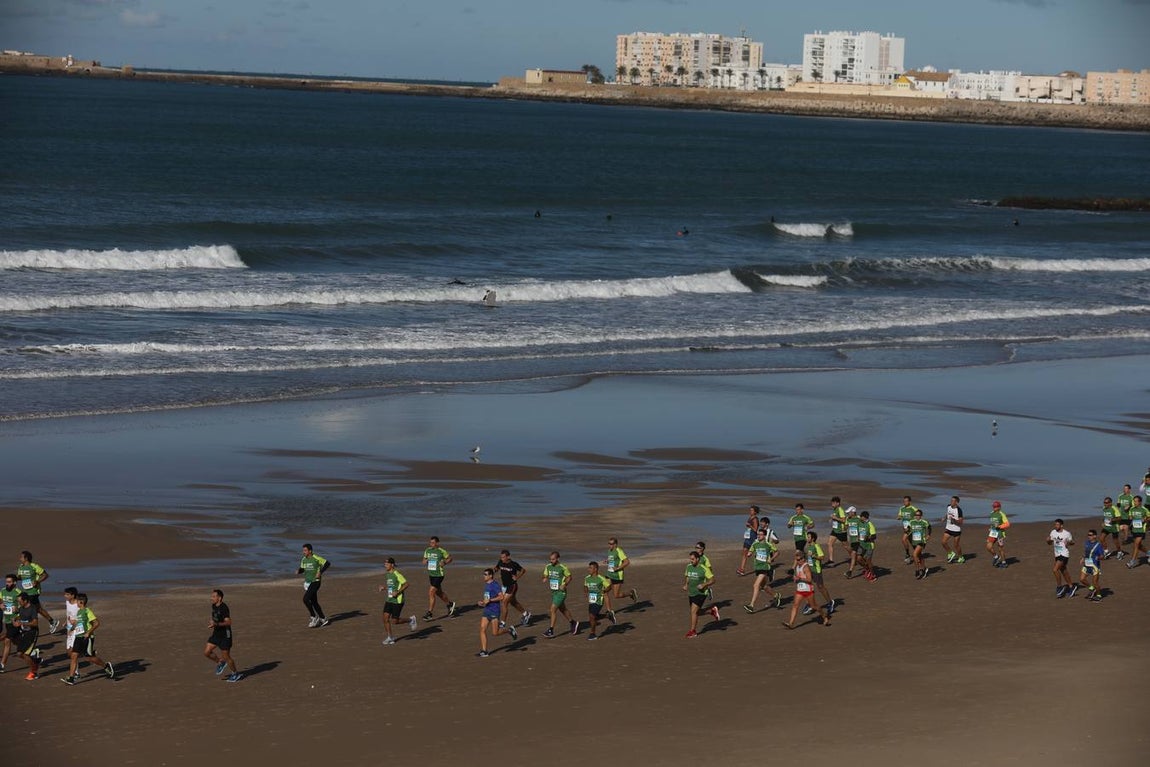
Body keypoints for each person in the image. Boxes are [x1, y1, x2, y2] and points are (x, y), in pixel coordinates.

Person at [60, 593, 114, 685]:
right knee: (74, 656)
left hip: (87, 638)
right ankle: (71, 678)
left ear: (81, 602)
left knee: (89, 658)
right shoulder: (79, 612)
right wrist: (72, 628)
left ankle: (106, 666)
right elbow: (78, 622)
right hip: (78, 637)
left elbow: (96, 623)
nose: (76, 602)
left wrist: (88, 632)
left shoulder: (87, 611)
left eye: (77, 601)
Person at [783, 551, 830, 629]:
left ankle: (824, 616)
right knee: (795, 605)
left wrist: (799, 578)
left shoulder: (806, 567)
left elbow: (809, 580)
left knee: (814, 606)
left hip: (808, 590)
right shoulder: (798, 567)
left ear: (803, 559)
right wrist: (795, 579)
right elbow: (798, 578)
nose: (798, 561)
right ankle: (791, 624)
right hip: (800, 590)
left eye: (799, 559)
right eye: (796, 560)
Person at [476, 568, 517, 657]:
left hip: (494, 611)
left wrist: (490, 600)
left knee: (495, 633)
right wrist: (482, 602)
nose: (484, 576)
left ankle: (509, 630)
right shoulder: (486, 585)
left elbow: (501, 597)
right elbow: (487, 598)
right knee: (482, 630)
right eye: (484, 574)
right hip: (487, 610)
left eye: (486, 574)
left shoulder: (495, 585)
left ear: (490, 575)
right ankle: (484, 651)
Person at [204, 589, 242, 682]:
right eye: (211, 596)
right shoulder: (213, 605)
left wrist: (216, 624)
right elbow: (216, 617)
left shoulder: (224, 608)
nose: (211, 598)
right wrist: (213, 622)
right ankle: (220, 662)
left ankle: (235, 673)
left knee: (226, 656)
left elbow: (229, 622)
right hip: (216, 634)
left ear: (219, 598)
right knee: (207, 652)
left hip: (225, 635)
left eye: (213, 596)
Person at [16, 551, 58, 634]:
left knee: (27, 608)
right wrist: (16, 578)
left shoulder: (34, 566)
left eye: (21, 557)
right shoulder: (21, 567)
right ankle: (52, 621)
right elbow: (20, 577)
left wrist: (37, 581)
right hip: (25, 591)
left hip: (34, 591)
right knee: (38, 609)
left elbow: (45, 575)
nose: (20, 558)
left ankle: (27, 628)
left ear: (26, 558)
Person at [379, 557, 416, 645]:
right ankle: (390, 637)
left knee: (394, 621)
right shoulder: (388, 574)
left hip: (398, 601)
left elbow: (406, 584)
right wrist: (384, 588)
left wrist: (398, 592)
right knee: (385, 618)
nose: (385, 566)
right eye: (385, 564)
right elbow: (392, 587)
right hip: (389, 599)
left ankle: (411, 620)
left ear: (392, 565)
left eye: (387, 564)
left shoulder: (397, 574)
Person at [743, 526, 780, 613]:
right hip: (757, 567)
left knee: (756, 585)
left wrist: (771, 559)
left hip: (765, 568)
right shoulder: (755, 544)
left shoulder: (768, 544)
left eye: (760, 534)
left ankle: (751, 605)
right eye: (758, 534)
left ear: (764, 536)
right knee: (764, 586)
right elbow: (750, 552)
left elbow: (777, 552)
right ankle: (776, 595)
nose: (758, 536)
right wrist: (749, 554)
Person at [682, 550, 719, 638]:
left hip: (701, 593)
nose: (691, 561)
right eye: (690, 559)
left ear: (698, 559)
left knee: (693, 612)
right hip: (692, 592)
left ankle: (693, 631)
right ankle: (712, 611)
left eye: (693, 559)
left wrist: (704, 584)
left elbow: (713, 580)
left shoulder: (703, 568)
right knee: (697, 612)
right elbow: (687, 576)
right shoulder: (689, 567)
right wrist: (686, 585)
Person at [541, 551, 577, 638]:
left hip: (561, 592)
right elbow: (544, 575)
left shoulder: (562, 567)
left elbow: (569, 577)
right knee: (563, 609)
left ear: (558, 559)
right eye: (550, 559)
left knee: (552, 609)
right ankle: (573, 622)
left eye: (553, 559)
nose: (551, 561)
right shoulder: (548, 566)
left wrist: (564, 584)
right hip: (554, 592)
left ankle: (551, 630)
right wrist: (545, 578)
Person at [494, 550, 531, 627]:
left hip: (512, 586)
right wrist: (494, 570)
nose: (502, 559)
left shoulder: (513, 564)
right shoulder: (500, 562)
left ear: (508, 557)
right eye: (501, 557)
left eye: (503, 557)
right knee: (513, 602)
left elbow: (523, 570)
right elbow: (497, 567)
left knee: (504, 603)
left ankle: (502, 623)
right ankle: (526, 614)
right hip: (504, 586)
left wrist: (517, 577)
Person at [422, 536, 456, 621]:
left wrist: (444, 562)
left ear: (437, 543)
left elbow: (450, 558)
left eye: (433, 543)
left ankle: (429, 613)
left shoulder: (441, 551)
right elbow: (423, 560)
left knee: (431, 592)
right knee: (438, 593)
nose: (431, 544)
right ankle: (450, 604)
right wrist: (425, 561)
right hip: (431, 575)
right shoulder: (427, 550)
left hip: (439, 575)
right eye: (430, 543)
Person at [298, 543, 331, 628]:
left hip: (315, 582)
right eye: (303, 550)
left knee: (305, 599)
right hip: (308, 583)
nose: (303, 552)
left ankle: (313, 617)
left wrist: (320, 572)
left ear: (310, 551)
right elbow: (303, 569)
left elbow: (327, 563)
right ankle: (323, 619)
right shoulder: (303, 559)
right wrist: (299, 571)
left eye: (305, 550)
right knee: (314, 602)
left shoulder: (316, 558)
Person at [603, 537, 638, 615]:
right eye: (609, 543)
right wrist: (607, 561)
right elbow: (613, 559)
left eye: (611, 544)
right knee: (604, 591)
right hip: (609, 574)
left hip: (617, 576)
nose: (609, 545)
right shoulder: (609, 551)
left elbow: (627, 562)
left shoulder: (619, 551)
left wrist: (617, 568)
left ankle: (631, 593)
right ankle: (610, 611)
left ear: (615, 544)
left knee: (616, 595)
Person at [12, 593, 42, 680]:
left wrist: (22, 623)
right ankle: (35, 660)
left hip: (32, 633)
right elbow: (20, 616)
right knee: (19, 653)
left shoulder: (32, 609)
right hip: (24, 633)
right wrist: (15, 620)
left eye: (20, 601)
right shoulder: (21, 608)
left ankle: (34, 672)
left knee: (24, 654)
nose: (19, 603)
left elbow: (35, 623)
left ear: (25, 601)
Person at [804, 532, 835, 614]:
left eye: (809, 537)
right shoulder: (809, 547)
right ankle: (810, 604)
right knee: (808, 587)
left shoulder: (816, 546)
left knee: (820, 587)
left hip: (816, 570)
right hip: (810, 570)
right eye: (807, 537)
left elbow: (822, 557)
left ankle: (830, 602)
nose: (807, 538)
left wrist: (815, 556)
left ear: (813, 538)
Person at [583, 562, 612, 640]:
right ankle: (607, 616)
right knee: (593, 617)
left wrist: (605, 591)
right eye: (588, 568)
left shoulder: (601, 578)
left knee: (592, 616)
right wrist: (586, 591)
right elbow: (585, 586)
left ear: (595, 569)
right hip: (591, 600)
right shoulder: (587, 578)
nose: (588, 569)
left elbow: (609, 586)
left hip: (599, 600)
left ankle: (593, 634)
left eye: (590, 568)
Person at [1047, 519, 1075, 597]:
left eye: (1057, 525)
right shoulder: (1053, 532)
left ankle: (1059, 587)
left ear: (1061, 525)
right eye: (1055, 524)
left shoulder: (1067, 533)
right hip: (1057, 555)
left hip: (1064, 554)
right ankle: (1071, 587)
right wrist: (1048, 540)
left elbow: (1073, 542)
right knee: (1063, 571)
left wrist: (1068, 543)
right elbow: (1050, 543)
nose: (1056, 526)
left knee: (1055, 570)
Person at [1074, 530, 1104, 602]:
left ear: (1095, 536)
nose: (1089, 536)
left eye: (1090, 535)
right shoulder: (1086, 543)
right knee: (1082, 579)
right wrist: (1083, 558)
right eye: (1088, 535)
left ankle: (1099, 595)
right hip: (1086, 564)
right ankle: (1092, 588)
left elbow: (1102, 556)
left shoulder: (1098, 545)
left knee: (1095, 582)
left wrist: (1098, 558)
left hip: (1094, 566)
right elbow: (1086, 552)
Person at [0, 574, 21, 673]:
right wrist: (1, 604)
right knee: (16, 641)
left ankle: (2, 664)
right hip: (7, 620)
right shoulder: (3, 591)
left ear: (14, 583)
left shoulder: (18, 592)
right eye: (6, 582)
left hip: (15, 620)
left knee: (7, 640)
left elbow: (25, 606)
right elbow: (0, 600)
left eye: (9, 582)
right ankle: (33, 652)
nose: (7, 584)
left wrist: (17, 608)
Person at [908, 508, 932, 579]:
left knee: (914, 554)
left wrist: (928, 535)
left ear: (921, 516)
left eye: (918, 515)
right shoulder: (911, 521)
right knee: (919, 556)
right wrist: (907, 530)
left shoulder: (924, 522)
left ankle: (917, 570)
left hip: (922, 541)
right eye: (916, 515)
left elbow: (929, 528)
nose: (917, 516)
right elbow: (908, 528)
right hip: (914, 541)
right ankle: (924, 569)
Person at [737, 505, 761, 575]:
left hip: (752, 538)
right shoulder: (750, 517)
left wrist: (750, 526)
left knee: (754, 554)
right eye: (750, 510)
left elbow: (756, 530)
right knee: (744, 552)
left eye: (752, 510)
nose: (750, 511)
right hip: (747, 537)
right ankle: (742, 569)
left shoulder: (755, 519)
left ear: (755, 512)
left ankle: (760, 567)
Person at [942, 496, 965, 564]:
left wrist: (954, 520)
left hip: (956, 530)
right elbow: (948, 513)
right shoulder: (948, 506)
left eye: (953, 501)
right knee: (943, 542)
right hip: (949, 528)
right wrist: (944, 518)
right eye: (951, 500)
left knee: (956, 545)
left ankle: (961, 557)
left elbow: (961, 522)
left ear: (956, 502)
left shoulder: (959, 510)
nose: (951, 502)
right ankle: (951, 553)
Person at [1125, 496, 1147, 568]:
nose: (1134, 503)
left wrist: (1145, 519)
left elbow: (1149, 517)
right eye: (1134, 501)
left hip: (1141, 530)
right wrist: (1130, 517)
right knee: (1139, 546)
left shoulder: (1144, 509)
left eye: (1136, 501)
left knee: (1136, 545)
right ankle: (1149, 553)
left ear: (1140, 502)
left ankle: (1132, 562)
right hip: (1134, 530)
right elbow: (1130, 516)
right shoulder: (1132, 509)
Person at [986, 501, 1010, 568]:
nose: (995, 508)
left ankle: (1004, 562)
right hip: (993, 533)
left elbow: (1007, 524)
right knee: (988, 547)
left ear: (999, 507)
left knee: (1000, 549)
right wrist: (991, 528)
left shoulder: (1002, 514)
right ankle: (996, 557)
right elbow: (993, 523)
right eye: (994, 506)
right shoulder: (991, 514)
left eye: (996, 506)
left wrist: (999, 526)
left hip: (1000, 533)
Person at [897, 496, 919, 564]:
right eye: (904, 501)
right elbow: (899, 516)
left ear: (909, 502)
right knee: (912, 543)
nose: (905, 502)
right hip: (905, 528)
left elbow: (919, 515)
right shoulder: (902, 508)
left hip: (911, 528)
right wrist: (899, 517)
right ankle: (916, 554)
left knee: (904, 539)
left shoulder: (913, 508)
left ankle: (907, 555)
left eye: (906, 501)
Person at [857, 511, 878, 581]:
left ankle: (873, 575)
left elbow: (874, 536)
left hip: (869, 545)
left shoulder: (870, 524)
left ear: (864, 517)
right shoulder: (860, 523)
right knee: (859, 558)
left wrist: (868, 538)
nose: (860, 518)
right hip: (861, 544)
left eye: (861, 517)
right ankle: (867, 569)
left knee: (868, 561)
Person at [828, 497, 848, 566]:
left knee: (846, 546)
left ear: (838, 503)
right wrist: (832, 519)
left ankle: (855, 556)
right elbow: (836, 518)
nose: (832, 504)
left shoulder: (840, 510)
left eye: (833, 503)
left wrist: (835, 518)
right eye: (832, 502)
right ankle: (831, 560)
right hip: (835, 530)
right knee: (829, 543)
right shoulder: (835, 509)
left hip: (841, 531)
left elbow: (844, 520)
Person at [844, 506, 863, 578]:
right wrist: (846, 524)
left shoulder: (859, 519)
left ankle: (850, 571)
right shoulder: (848, 519)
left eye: (848, 513)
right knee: (856, 556)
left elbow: (864, 527)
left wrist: (860, 537)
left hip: (859, 541)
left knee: (855, 555)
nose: (847, 514)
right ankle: (851, 571)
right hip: (852, 540)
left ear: (853, 512)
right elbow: (845, 528)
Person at [1115, 484, 1135, 550]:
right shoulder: (1120, 496)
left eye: (1126, 489)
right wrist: (1116, 511)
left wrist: (1128, 506)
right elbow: (1118, 505)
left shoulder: (1131, 497)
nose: (1124, 490)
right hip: (1121, 515)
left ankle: (1125, 539)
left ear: (1129, 490)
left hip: (1128, 515)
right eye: (1124, 488)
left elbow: (1134, 506)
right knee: (1121, 528)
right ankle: (1130, 529)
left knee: (1125, 527)